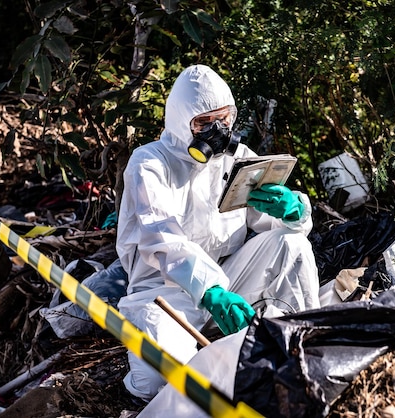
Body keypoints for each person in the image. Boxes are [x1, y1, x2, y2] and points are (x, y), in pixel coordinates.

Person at [115, 64, 320, 401]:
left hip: (228, 281)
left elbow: (273, 231)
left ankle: (303, 345)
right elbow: (162, 239)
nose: (217, 132)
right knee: (159, 381)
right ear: (181, 123)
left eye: (223, 119)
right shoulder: (149, 163)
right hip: (166, 296)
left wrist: (295, 212)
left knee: (292, 242)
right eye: (203, 123)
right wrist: (210, 290)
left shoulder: (238, 158)